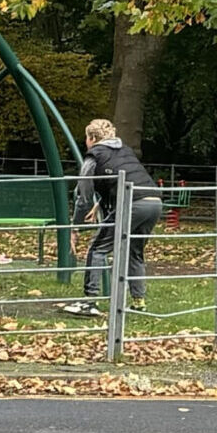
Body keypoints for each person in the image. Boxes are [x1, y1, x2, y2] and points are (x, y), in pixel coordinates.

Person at [62, 118, 162, 315]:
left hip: (132, 204)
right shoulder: (125, 151)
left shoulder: (94, 156)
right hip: (154, 202)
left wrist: (75, 228)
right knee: (135, 251)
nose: (86, 142)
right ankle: (139, 302)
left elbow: (83, 195)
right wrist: (100, 204)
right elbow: (124, 178)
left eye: (86, 138)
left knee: (98, 248)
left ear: (92, 137)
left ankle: (90, 301)